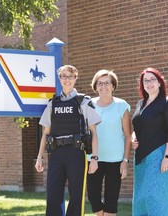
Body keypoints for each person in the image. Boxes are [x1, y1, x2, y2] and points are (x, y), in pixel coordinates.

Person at [35, 65, 101, 216]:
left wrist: (95, 158)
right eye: (64, 76)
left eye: (70, 76)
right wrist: (39, 157)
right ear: (59, 79)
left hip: (76, 153)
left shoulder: (83, 102)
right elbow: (46, 133)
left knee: (76, 195)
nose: (67, 79)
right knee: (53, 195)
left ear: (75, 79)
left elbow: (94, 133)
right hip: (56, 153)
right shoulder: (53, 103)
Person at [132, 67, 168, 216]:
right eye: (145, 80)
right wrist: (134, 137)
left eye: (152, 79)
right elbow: (138, 126)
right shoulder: (140, 104)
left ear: (160, 82)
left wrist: (167, 158)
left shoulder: (167, 103)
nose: (149, 83)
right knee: (142, 199)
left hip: (162, 155)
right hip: (142, 158)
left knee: (158, 198)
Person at [87, 69, 132, 216]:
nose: (103, 86)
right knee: (93, 198)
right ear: (95, 86)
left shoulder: (121, 105)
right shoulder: (89, 104)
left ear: (113, 86)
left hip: (115, 160)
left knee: (111, 202)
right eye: (100, 83)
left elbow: (127, 136)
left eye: (107, 83)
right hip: (94, 159)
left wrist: (125, 161)